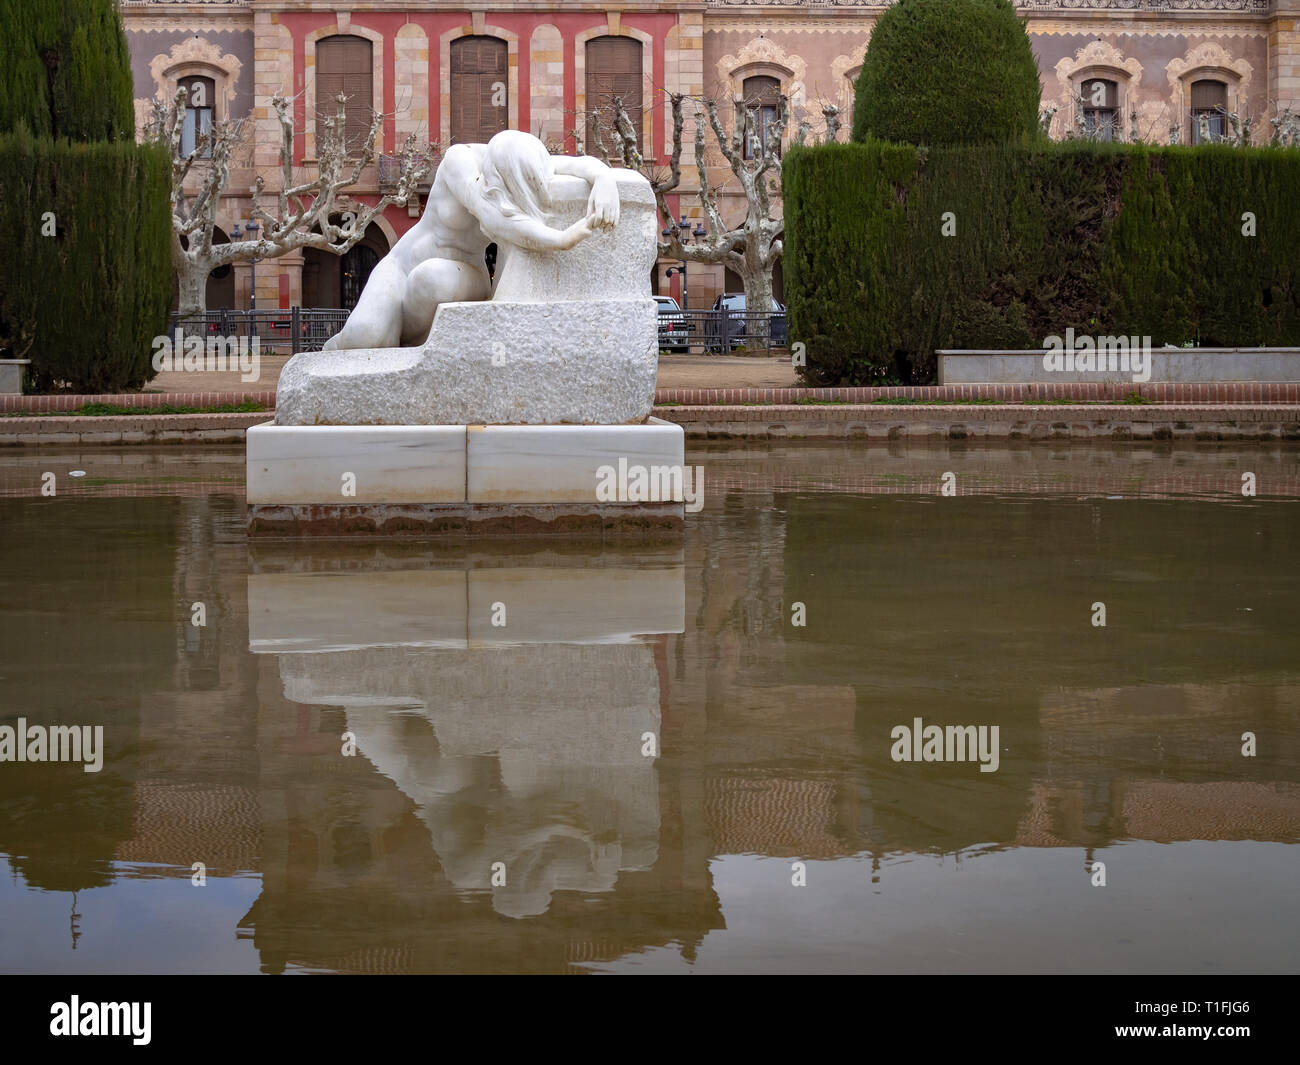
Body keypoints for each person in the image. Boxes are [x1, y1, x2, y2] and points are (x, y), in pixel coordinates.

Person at [324, 130, 621, 350]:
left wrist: (604, 178)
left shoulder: (524, 159)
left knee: (429, 281)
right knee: (364, 337)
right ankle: (343, 345)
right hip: (402, 264)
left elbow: (577, 165)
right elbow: (495, 218)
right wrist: (561, 239)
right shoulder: (460, 161)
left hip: (463, 274)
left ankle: (408, 349)